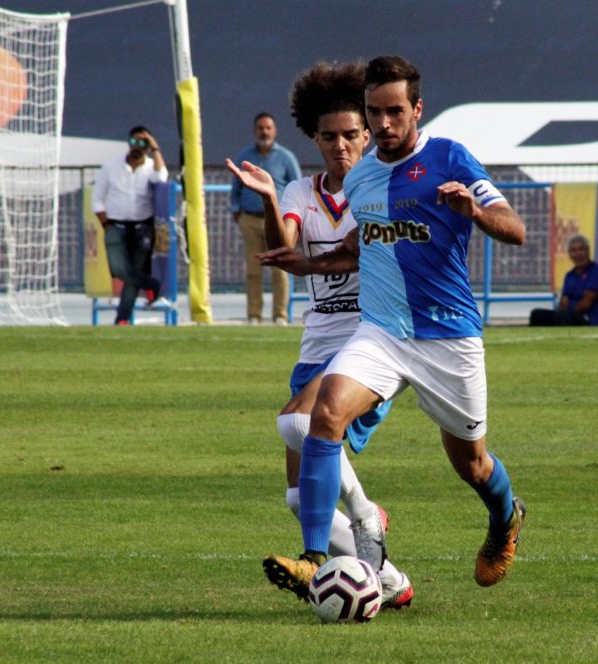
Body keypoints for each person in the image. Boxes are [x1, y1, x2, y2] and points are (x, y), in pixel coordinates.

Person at [258, 55, 527, 598]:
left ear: (417, 109)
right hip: (380, 333)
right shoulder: (362, 179)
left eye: (394, 112)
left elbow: (515, 228)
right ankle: (315, 559)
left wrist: (473, 212)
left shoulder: (450, 157)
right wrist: (308, 265)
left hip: (447, 337)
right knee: (321, 415)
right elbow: (359, 249)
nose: (383, 124)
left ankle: (505, 520)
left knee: (472, 464)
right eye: (375, 112)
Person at [225, 61, 412, 609]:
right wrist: (267, 196)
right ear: (313, 137)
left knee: (298, 421)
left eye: (352, 133)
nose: (341, 144)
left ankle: (334, 542)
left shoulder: (382, 186)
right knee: (295, 493)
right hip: (316, 349)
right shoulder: (300, 194)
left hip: (371, 344)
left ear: (368, 132)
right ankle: (391, 579)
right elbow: (286, 246)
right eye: (328, 136)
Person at [91, 125, 170, 326]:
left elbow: (162, 178)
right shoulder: (111, 167)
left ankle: (122, 319)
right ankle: (152, 284)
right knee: (119, 270)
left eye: (142, 143)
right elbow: (97, 199)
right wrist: (106, 224)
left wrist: (156, 149)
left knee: (132, 273)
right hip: (115, 225)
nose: (137, 147)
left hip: (142, 227)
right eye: (134, 142)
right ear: (128, 143)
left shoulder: (151, 166)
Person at [230, 112, 302, 325]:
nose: (264, 132)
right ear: (255, 131)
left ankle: (280, 315)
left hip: (277, 222)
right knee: (253, 270)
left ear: (275, 130)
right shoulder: (245, 157)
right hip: (250, 220)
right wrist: (237, 210)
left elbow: (296, 186)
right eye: (260, 128)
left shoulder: (286, 157)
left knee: (280, 270)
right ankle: (254, 315)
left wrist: (291, 214)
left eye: (268, 128)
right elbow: (236, 189)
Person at [529, 234, 598, 326]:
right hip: (570, 315)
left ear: (588, 251)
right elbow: (563, 302)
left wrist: (567, 309)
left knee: (564, 317)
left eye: (581, 249)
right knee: (537, 314)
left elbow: (586, 303)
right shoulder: (569, 276)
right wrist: (564, 309)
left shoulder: (596, 272)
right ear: (570, 255)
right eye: (574, 251)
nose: (578, 254)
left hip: (589, 318)